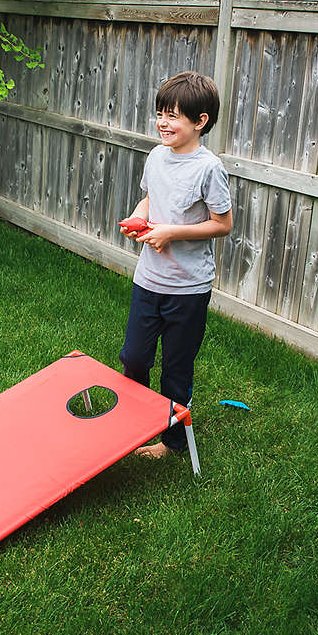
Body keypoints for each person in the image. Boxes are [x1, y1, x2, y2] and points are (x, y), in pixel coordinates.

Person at [119, 71, 233, 459]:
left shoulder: (209, 168)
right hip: (148, 279)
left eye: (173, 116)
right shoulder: (155, 156)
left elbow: (223, 224)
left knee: (176, 369)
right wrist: (138, 218)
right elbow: (150, 199)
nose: (162, 123)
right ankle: (135, 425)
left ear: (200, 122)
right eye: (160, 113)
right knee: (133, 357)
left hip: (188, 288)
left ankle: (170, 443)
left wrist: (170, 233)